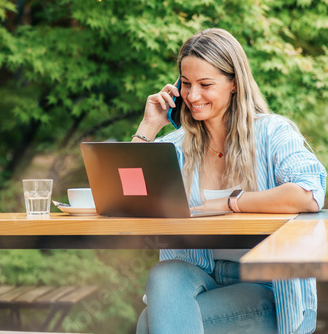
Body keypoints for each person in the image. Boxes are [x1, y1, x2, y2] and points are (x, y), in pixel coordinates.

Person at [132, 28, 327, 334]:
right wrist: (148, 126)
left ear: (234, 82)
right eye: (186, 84)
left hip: (266, 283)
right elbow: (126, 197)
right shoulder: (176, 146)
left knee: (148, 324)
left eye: (205, 84)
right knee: (163, 274)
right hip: (200, 275)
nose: (192, 96)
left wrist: (230, 202)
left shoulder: (273, 133)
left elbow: (308, 192)